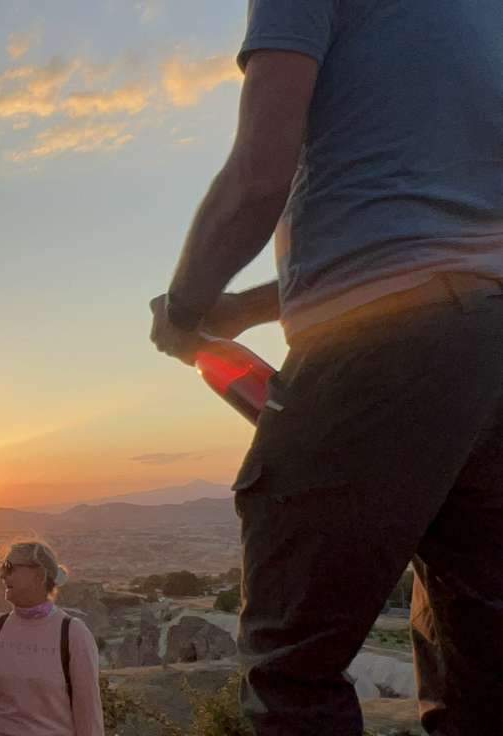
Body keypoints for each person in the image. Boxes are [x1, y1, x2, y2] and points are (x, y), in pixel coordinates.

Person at [148, 3, 503, 733]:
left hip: (378, 361)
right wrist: (246, 307)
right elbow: (431, 232)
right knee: (486, 673)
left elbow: (257, 177)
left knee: (292, 667)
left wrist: (184, 309)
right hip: (490, 348)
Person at [0, 542, 103, 736]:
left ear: (39, 575)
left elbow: (88, 713)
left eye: (9, 567)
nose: (2, 575)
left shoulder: (73, 634)